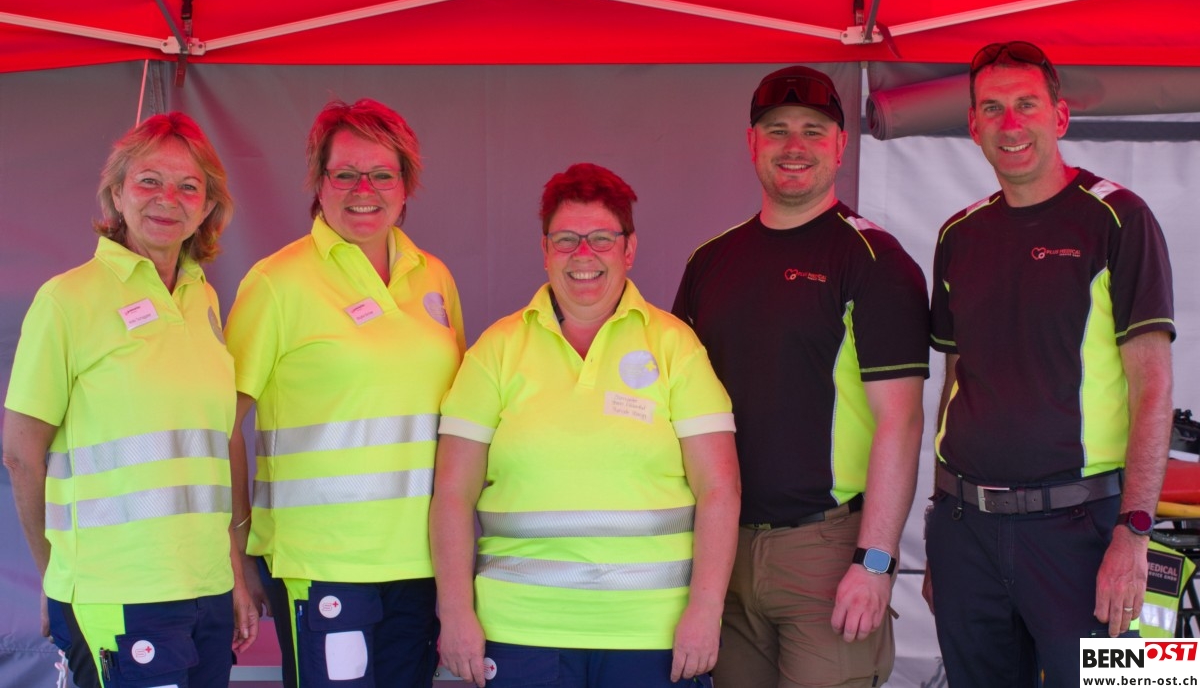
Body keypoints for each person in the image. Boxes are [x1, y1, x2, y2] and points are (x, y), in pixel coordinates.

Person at [923, 41, 1175, 687]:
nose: (1010, 124)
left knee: (1121, 682)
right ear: (973, 124)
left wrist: (1135, 535)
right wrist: (937, 521)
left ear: (1059, 116)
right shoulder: (958, 235)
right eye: (993, 108)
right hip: (965, 529)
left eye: (1026, 105)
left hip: (1086, 529)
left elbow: (1154, 388)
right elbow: (955, 384)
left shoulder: (1120, 217)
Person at [430, 163, 740, 688]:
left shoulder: (675, 346)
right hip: (520, 629)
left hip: (651, 633)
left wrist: (706, 611)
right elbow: (452, 494)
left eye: (601, 238)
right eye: (566, 240)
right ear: (545, 249)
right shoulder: (496, 350)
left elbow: (720, 488)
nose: (583, 254)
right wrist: (456, 613)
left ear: (629, 249)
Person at [673, 66, 929, 688]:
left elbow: (900, 421)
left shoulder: (874, 260)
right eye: (777, 130)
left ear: (840, 145)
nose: (794, 146)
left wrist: (875, 561)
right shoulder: (710, 262)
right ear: (751, 144)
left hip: (825, 554)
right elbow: (676, 412)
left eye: (814, 131)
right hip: (722, 549)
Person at [2, 112, 257, 687]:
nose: (168, 199)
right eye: (149, 181)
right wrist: (57, 577)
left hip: (206, 588)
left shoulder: (203, 301)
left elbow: (213, 453)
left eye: (189, 186)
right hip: (117, 592)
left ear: (208, 207)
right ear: (116, 194)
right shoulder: (67, 300)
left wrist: (234, 574)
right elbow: (21, 455)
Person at [223, 98, 465, 688]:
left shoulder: (433, 276)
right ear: (319, 181)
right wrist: (236, 549)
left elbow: (459, 423)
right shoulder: (276, 283)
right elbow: (219, 424)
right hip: (321, 563)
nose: (364, 190)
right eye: (345, 174)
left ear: (406, 185)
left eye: (382, 174)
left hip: (421, 561)